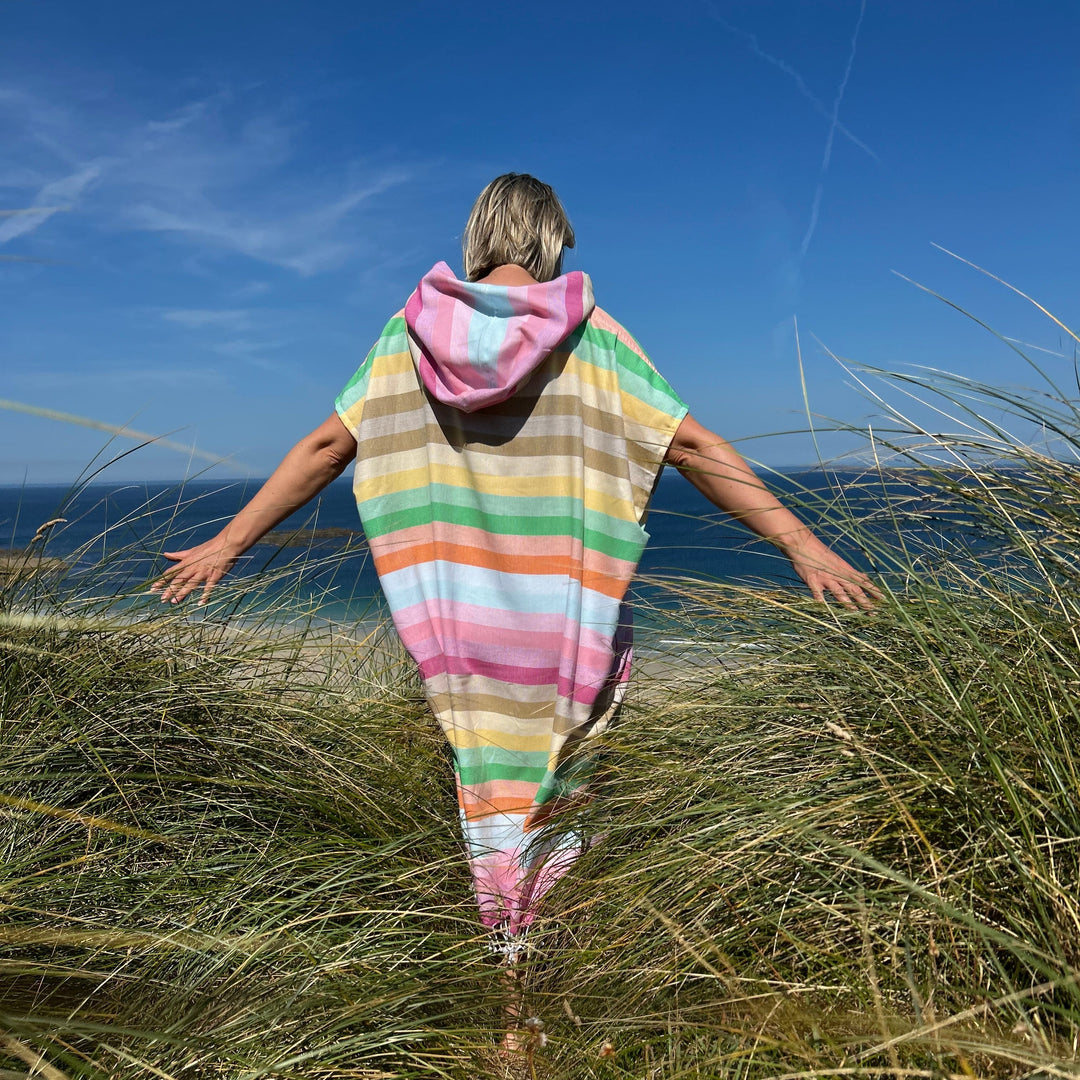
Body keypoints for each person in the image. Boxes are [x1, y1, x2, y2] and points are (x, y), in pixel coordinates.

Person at [154, 172, 877, 1043]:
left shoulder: (406, 338)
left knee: (476, 789)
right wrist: (800, 543)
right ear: (548, 241)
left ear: (480, 235)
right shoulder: (592, 337)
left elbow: (325, 447)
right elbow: (688, 444)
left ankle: (496, 995)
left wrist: (228, 545)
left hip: (456, 637)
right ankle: (535, 1003)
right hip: (569, 634)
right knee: (560, 800)